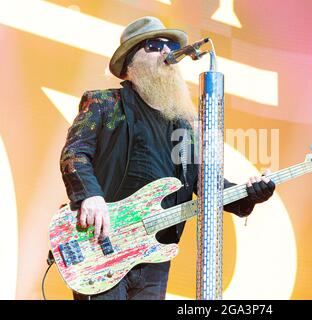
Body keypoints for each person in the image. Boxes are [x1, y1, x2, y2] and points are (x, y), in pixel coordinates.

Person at [60, 16, 275, 300]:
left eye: (171, 45)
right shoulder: (105, 104)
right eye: (155, 45)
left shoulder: (183, 126)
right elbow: (75, 153)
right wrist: (90, 196)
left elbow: (206, 185)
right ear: (129, 65)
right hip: (102, 245)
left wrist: (249, 195)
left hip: (154, 254)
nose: (167, 52)